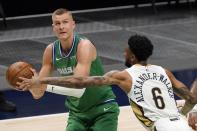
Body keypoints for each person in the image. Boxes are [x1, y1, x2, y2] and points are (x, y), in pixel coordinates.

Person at [17, 34, 197, 131]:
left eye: (126, 51)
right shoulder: (164, 71)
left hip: (161, 127)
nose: (124, 53)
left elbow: (79, 82)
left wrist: (41, 79)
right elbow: (191, 98)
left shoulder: (124, 76)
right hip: (179, 124)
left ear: (132, 55)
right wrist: (183, 113)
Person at [17, 8, 119, 131]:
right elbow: (38, 93)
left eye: (65, 22)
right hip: (77, 113)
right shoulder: (50, 51)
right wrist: (30, 85)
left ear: (73, 25)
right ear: (53, 27)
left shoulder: (84, 46)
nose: (61, 27)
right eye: (57, 23)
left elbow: (78, 87)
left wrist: (43, 83)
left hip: (103, 108)